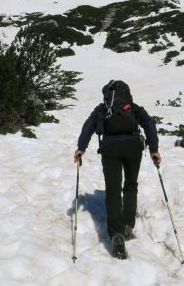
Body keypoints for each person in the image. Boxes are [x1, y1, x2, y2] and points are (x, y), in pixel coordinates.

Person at [74, 80, 160, 259]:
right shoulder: (134, 107)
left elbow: (88, 126)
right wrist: (154, 149)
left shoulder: (102, 109)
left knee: (113, 191)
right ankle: (128, 225)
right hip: (133, 147)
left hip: (110, 148)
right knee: (130, 185)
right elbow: (149, 124)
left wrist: (81, 148)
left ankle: (116, 234)